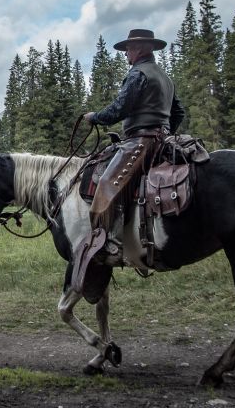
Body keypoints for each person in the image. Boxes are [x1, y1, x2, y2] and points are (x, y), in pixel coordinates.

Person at [73, 28, 185, 291]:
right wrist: (166, 131)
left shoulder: (138, 74)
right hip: (162, 139)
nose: (126, 54)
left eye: (129, 49)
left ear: (143, 49)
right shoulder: (165, 78)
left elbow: (118, 109)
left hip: (139, 142)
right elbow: (177, 112)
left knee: (105, 187)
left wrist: (94, 117)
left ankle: (109, 242)